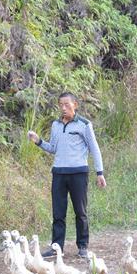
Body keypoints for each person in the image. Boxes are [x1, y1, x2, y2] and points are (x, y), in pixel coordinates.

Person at [27, 92, 106, 259]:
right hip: (59, 173)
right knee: (58, 213)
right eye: (60, 105)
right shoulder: (56, 124)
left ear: (75, 105)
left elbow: (95, 149)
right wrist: (39, 141)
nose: (63, 108)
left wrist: (100, 173)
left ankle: (83, 246)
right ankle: (57, 247)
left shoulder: (84, 125)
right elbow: (54, 148)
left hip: (78, 172)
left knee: (80, 211)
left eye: (67, 105)